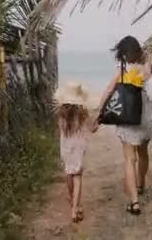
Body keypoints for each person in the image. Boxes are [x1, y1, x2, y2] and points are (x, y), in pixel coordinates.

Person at [95, 35, 152, 215]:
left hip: (128, 118)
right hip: (146, 118)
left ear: (123, 52)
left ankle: (135, 202)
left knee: (129, 160)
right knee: (144, 153)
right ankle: (141, 184)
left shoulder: (122, 69)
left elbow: (109, 90)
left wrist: (99, 114)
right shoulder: (148, 68)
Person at [56, 82, 97, 223]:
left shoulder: (61, 112)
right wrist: (98, 122)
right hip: (79, 147)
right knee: (78, 177)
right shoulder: (83, 112)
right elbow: (92, 128)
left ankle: (73, 200)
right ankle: (75, 208)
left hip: (66, 146)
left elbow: (61, 130)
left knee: (69, 173)